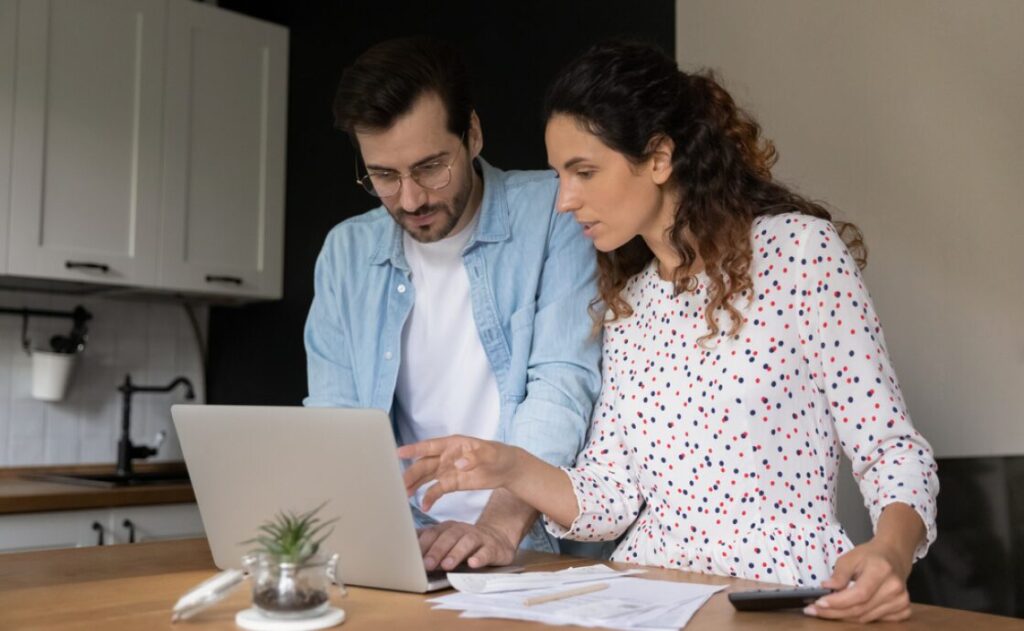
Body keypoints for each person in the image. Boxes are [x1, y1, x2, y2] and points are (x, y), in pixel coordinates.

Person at [399, 41, 939, 623]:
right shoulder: (631, 304)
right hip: (645, 598)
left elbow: (891, 450)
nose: (564, 200)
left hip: (775, 595)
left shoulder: (799, 253)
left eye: (584, 171)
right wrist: (508, 465)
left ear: (658, 158)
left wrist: (890, 552)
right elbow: (610, 496)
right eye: (559, 175)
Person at [303, 37, 605, 572]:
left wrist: (496, 528)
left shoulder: (556, 213)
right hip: (408, 543)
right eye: (385, 177)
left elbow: (562, 385)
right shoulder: (345, 254)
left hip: (529, 540)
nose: (412, 199)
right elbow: (337, 422)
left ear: (472, 134)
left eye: (430, 167)